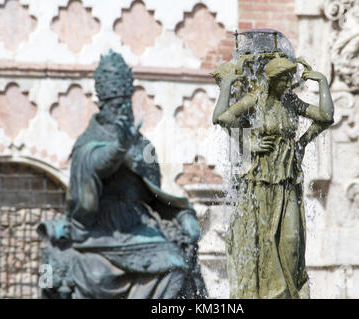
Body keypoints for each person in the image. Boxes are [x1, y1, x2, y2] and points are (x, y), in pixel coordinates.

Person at [38, 50, 207, 299]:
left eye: (125, 104)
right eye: (116, 106)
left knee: (175, 266)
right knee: (82, 274)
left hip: (137, 230)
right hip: (97, 232)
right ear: (103, 106)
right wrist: (119, 148)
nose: (122, 111)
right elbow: (95, 163)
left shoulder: (145, 147)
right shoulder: (87, 143)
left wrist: (184, 215)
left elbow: (156, 197)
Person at [212, 52, 334, 298]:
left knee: (291, 241)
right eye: (284, 79)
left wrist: (322, 83)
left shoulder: (291, 102)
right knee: (263, 241)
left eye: (290, 78)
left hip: (288, 181)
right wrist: (249, 143)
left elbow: (326, 117)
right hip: (260, 182)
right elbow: (222, 117)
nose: (289, 83)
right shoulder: (255, 99)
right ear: (271, 80)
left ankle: (292, 291)